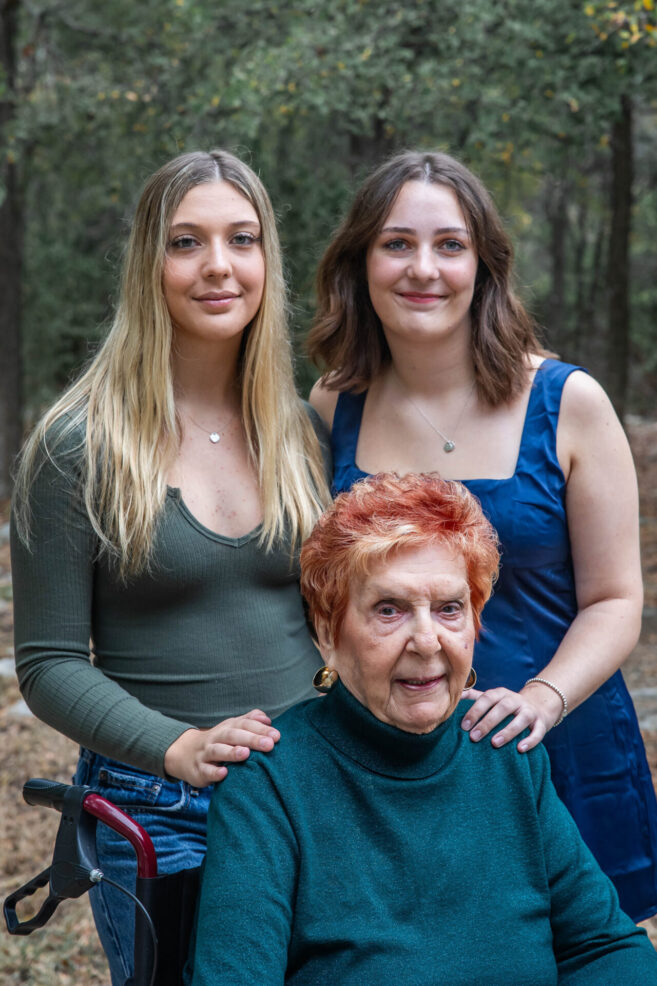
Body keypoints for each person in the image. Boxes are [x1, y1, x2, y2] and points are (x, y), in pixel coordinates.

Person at [306, 150, 657, 922]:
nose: (422, 268)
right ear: (360, 262)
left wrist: (541, 700)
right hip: (394, 767)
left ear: (484, 266)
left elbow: (615, 599)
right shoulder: (336, 406)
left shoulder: (567, 402)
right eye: (396, 244)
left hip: (555, 745)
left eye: (449, 245)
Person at [10, 149, 331, 985]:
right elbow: (46, 667)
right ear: (147, 262)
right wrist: (177, 747)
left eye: (242, 239)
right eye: (186, 242)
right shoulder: (78, 445)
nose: (218, 266)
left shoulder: (299, 433)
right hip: (161, 806)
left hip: (307, 788)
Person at [187, 472, 657, 985]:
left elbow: (607, 947)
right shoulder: (268, 784)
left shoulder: (504, 755)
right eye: (389, 610)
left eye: (449, 609)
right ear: (328, 631)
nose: (428, 641)